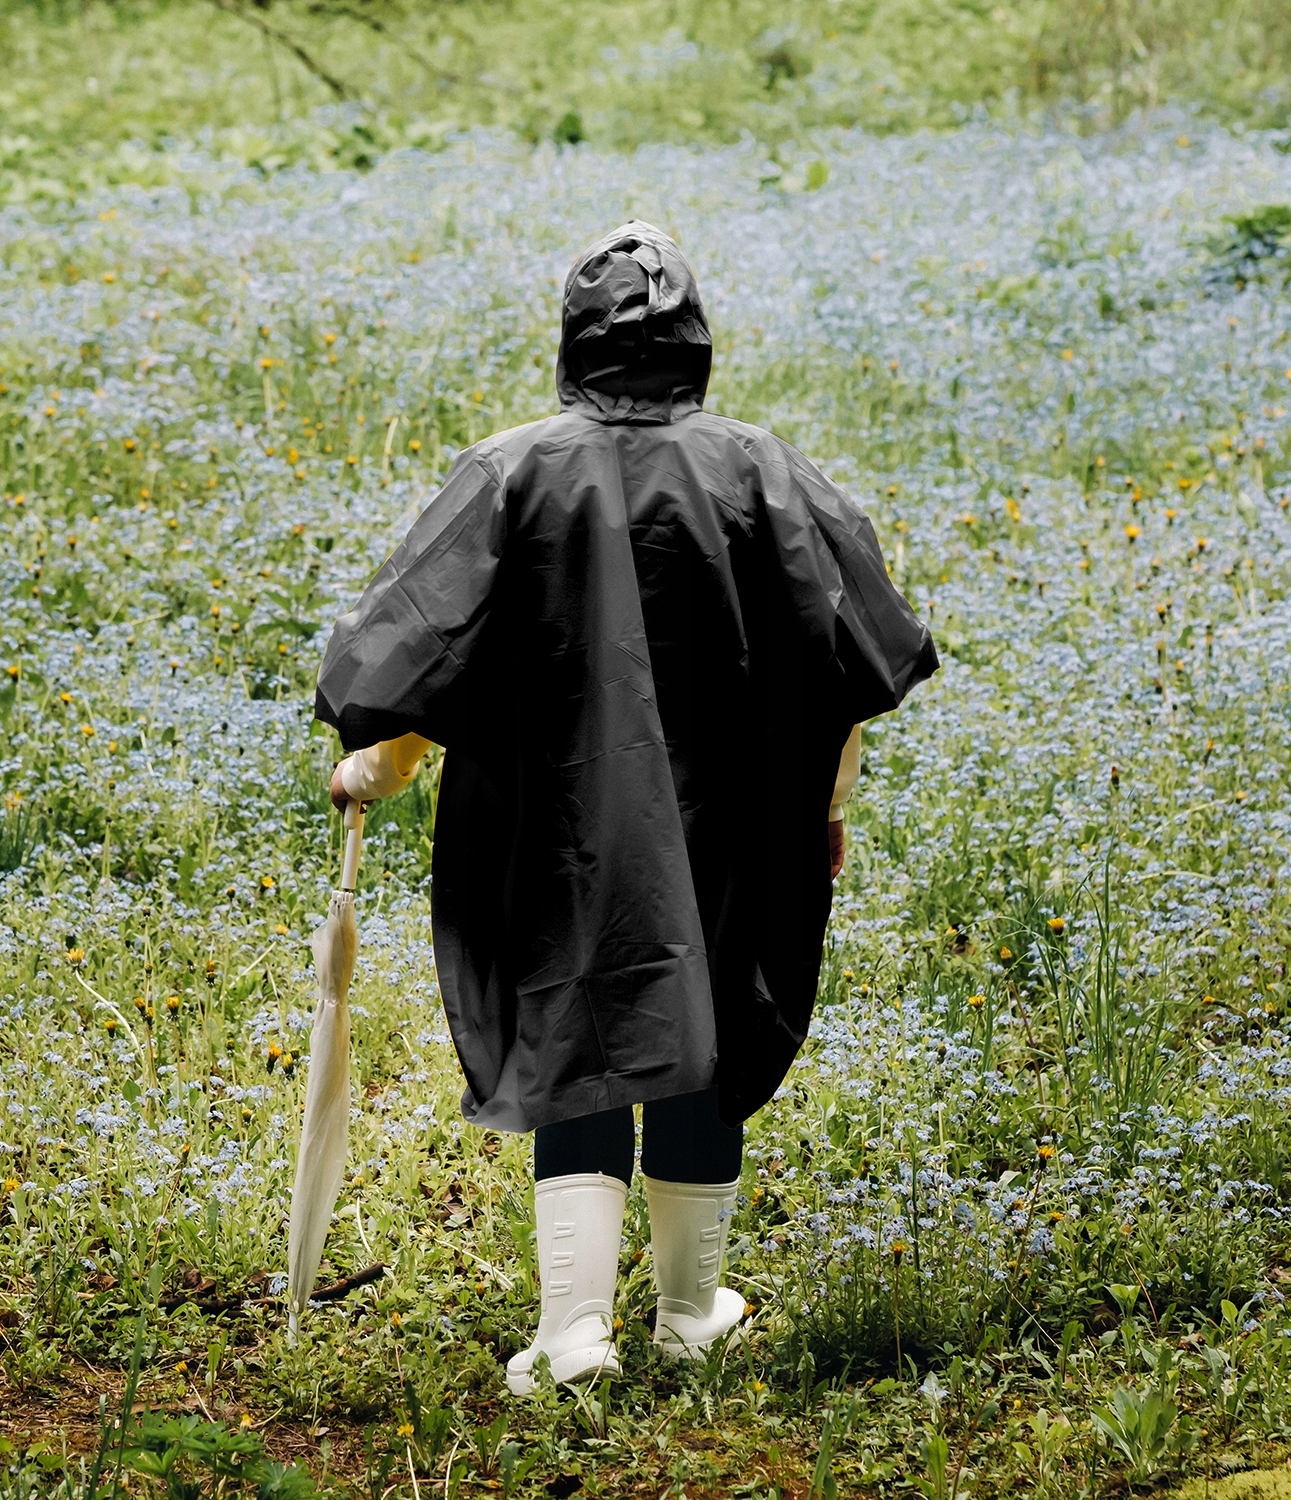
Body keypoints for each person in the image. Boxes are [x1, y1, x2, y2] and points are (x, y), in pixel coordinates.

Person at [316, 221, 937, 1394]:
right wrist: (827, 805)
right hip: (740, 823)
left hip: (556, 830)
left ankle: (573, 1335)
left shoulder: (510, 473)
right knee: (708, 1022)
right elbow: (841, 667)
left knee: (580, 1028)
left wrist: (371, 774)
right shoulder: (766, 472)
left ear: (576, 342)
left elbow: (425, 660)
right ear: (694, 342)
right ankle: (690, 1313)